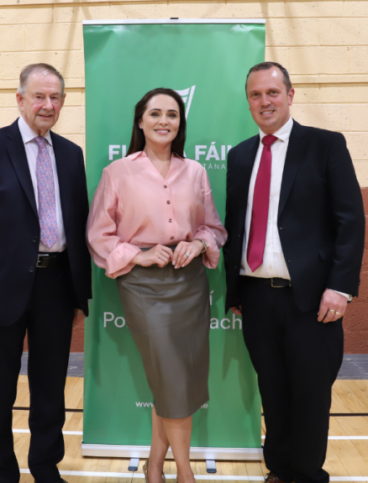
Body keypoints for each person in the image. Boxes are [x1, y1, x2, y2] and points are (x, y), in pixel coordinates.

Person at [223, 62, 365, 483]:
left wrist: (340, 287)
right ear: (248, 100)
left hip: (311, 299)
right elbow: (237, 224)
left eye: (272, 92)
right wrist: (235, 293)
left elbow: (350, 221)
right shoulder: (240, 154)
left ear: (290, 94)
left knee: (310, 394)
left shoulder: (325, 145)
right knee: (274, 391)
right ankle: (280, 470)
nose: (264, 101)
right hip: (256, 298)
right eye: (255, 95)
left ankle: (306, 474)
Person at [0, 63, 92, 483]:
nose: (47, 105)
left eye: (55, 98)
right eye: (39, 96)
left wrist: (77, 295)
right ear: (20, 99)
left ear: (63, 102)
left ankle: (46, 468)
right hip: (1, 294)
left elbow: (78, 222)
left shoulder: (71, 154)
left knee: (50, 390)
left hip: (55, 286)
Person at [87, 88, 227, 483]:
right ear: (140, 121)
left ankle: (154, 465)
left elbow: (213, 227)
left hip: (190, 283)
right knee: (173, 376)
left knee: (174, 378)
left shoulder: (195, 171)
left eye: (172, 114)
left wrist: (198, 243)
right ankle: (184, 472)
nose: (164, 121)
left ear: (181, 123)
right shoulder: (118, 172)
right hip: (142, 287)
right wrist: (139, 255)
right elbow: (99, 234)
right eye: (155, 114)